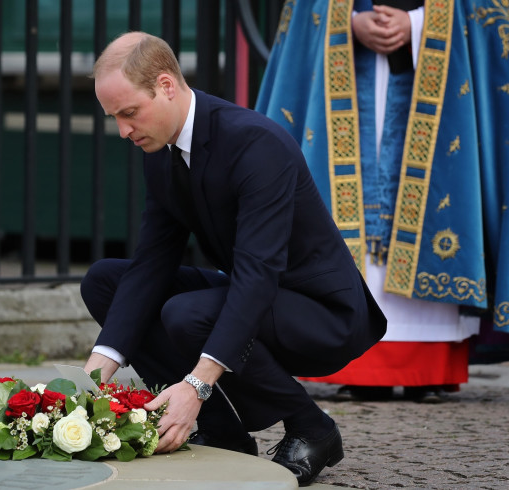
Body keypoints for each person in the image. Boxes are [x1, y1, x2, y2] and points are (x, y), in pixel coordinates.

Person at [80, 31, 387, 486]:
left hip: (321, 311)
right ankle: (223, 433)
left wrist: (198, 384)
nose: (123, 130)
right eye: (115, 118)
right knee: (105, 280)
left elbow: (257, 273)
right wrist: (95, 371)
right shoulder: (158, 148)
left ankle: (312, 426)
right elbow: (152, 263)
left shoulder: (254, 142)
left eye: (129, 113)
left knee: (187, 314)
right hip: (258, 294)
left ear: (165, 85)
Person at [255, 0, 509, 403]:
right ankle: (352, 360)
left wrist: (420, 23)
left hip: (435, 72)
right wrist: (347, 22)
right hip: (347, 71)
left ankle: (426, 367)